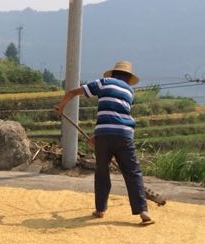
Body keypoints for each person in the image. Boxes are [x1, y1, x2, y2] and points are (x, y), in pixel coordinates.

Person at [54, 60, 154, 225]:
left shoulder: (104, 83)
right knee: (133, 172)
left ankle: (100, 210)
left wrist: (60, 107)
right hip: (125, 135)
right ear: (128, 78)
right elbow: (117, 114)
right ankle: (143, 211)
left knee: (102, 171)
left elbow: (72, 92)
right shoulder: (130, 91)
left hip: (104, 134)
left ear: (113, 74)